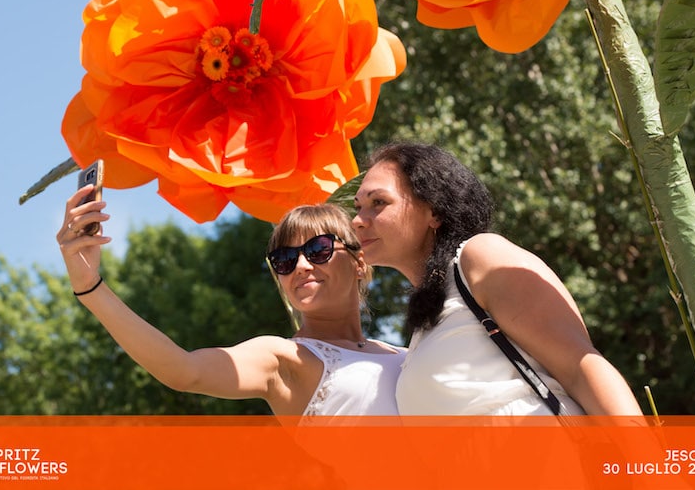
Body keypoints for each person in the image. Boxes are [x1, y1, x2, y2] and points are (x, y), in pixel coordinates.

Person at [352, 141, 643, 416]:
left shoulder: (479, 256)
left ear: (434, 211)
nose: (357, 220)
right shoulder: (424, 328)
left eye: (378, 202)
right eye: (358, 207)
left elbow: (581, 368)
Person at [57, 190, 406, 416]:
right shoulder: (283, 359)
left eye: (318, 250)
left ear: (360, 263)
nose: (300, 266)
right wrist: (90, 287)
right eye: (284, 259)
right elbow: (184, 371)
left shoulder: (408, 352)